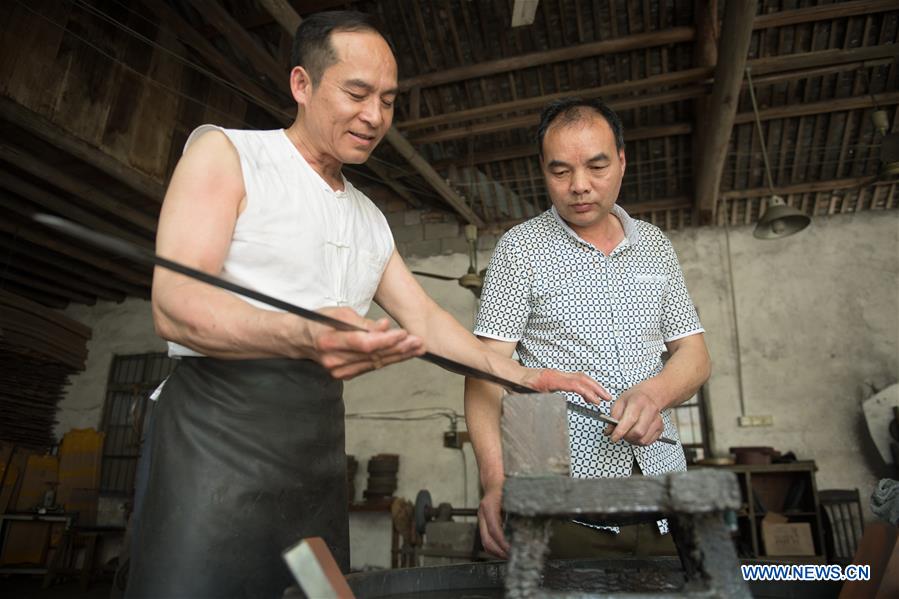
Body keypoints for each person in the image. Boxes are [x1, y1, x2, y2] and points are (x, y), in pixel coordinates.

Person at [125, 12, 609, 599]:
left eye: (387, 99)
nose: (375, 116)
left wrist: (521, 375)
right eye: (356, 93)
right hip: (214, 439)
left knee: (315, 593)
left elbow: (425, 320)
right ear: (302, 85)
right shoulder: (227, 154)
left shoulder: (368, 218)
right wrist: (306, 333)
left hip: (314, 453)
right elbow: (175, 305)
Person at [464, 97, 711, 560]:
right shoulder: (520, 250)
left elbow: (695, 356)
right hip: (562, 503)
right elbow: (484, 374)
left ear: (621, 160)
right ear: (542, 170)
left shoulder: (655, 245)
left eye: (597, 166)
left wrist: (654, 394)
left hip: (662, 492)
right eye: (560, 172)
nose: (579, 186)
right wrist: (494, 483)